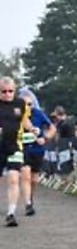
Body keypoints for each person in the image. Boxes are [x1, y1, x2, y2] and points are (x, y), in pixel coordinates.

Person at [18, 89, 54, 217]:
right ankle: (28, 204)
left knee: (33, 179)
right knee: (26, 176)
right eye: (24, 104)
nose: (27, 107)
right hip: (23, 149)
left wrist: (45, 138)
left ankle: (30, 197)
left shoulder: (38, 114)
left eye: (30, 104)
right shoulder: (16, 115)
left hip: (37, 150)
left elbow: (52, 128)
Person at [0, 76, 28, 227]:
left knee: (13, 178)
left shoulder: (20, 103)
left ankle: (11, 213)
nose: (7, 94)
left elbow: (24, 121)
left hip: (14, 146)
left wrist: (33, 129)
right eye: (3, 91)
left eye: (10, 91)